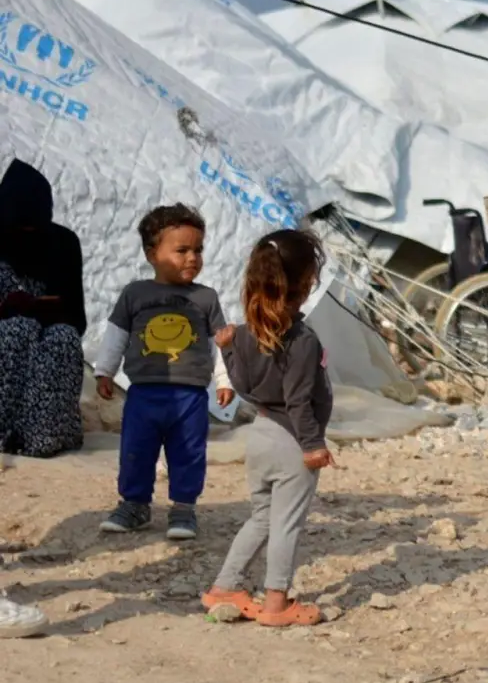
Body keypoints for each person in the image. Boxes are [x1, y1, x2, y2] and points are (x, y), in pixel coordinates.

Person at [203, 229, 334, 627]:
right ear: (307, 283)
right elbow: (298, 401)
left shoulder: (242, 335)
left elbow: (241, 387)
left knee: (261, 517)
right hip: (291, 442)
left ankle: (225, 587)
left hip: (258, 434)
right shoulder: (303, 340)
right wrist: (312, 444)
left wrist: (227, 348)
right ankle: (276, 603)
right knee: (286, 523)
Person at [93, 204, 235, 540]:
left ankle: (184, 509)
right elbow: (117, 335)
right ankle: (134, 505)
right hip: (143, 393)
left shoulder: (205, 298)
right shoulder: (135, 294)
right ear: (151, 254)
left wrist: (224, 381)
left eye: (198, 250)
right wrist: (104, 371)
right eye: (182, 250)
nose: (192, 258)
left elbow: (220, 343)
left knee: (188, 451)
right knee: (136, 450)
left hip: (190, 397)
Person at [0, 159, 87, 460]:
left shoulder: (63, 244)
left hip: (49, 330)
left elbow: (78, 319)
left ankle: (46, 435)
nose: (26, 232)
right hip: (6, 333)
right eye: (18, 226)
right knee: (16, 331)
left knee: (63, 339)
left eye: (33, 226)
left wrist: (43, 310)